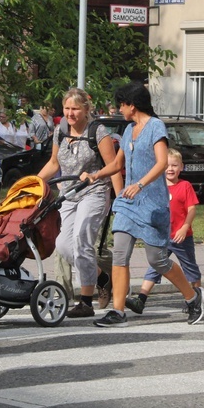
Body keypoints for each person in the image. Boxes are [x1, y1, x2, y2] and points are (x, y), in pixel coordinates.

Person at [81, 81, 204, 327]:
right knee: (120, 254)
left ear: (132, 104)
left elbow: (161, 163)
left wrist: (140, 184)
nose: (119, 109)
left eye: (121, 104)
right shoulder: (129, 130)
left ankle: (193, 298)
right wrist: (95, 175)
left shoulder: (155, 127)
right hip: (128, 203)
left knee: (157, 260)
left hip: (152, 204)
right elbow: (117, 164)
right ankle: (118, 312)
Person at [37, 88, 122, 318]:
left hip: (94, 192)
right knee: (63, 245)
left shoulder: (98, 131)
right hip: (69, 193)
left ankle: (85, 301)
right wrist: (34, 182)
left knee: (82, 240)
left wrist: (120, 200)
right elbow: (54, 163)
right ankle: (102, 277)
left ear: (86, 109)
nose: (70, 113)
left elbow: (113, 167)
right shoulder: (60, 131)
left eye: (75, 108)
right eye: (66, 108)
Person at [125, 148, 202, 314]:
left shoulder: (185, 186)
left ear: (181, 167)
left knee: (190, 268)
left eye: (175, 165)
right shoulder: (157, 187)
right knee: (155, 266)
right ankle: (141, 299)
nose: (170, 169)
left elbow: (192, 210)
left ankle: (197, 297)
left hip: (182, 237)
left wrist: (185, 227)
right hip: (161, 236)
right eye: (167, 165)